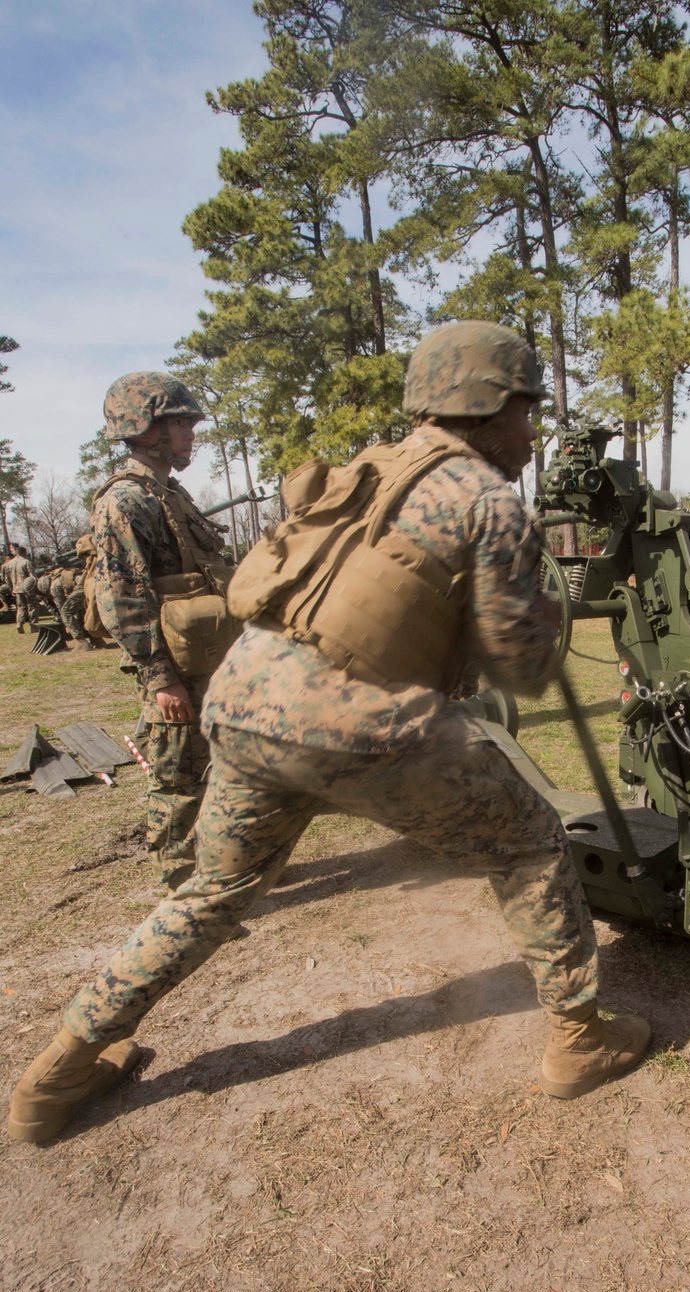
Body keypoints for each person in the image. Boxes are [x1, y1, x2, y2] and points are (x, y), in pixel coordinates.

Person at [7, 320, 651, 1146]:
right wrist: (540, 609)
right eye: (527, 411)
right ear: (487, 404)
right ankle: (579, 1039)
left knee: (209, 896)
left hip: (244, 701)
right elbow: (523, 667)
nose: (532, 432)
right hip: (357, 724)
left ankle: (53, 1075)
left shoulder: (366, 470)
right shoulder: (487, 500)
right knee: (529, 844)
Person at [88, 372, 236, 888]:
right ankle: (181, 886)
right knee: (178, 777)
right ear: (146, 428)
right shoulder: (125, 501)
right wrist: (159, 678)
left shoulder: (170, 493)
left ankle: (215, 867)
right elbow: (123, 596)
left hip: (206, 662)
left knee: (217, 769)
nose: (191, 433)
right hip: (175, 671)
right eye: (180, 423)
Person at [5, 545, 37, 633]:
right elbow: (33, 576)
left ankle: (20, 623)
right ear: (23, 553)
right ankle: (34, 626)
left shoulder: (9, 564)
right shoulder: (26, 562)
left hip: (17, 589)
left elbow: (7, 579)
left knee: (21, 607)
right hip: (28, 589)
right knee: (32, 606)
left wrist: (11, 588)